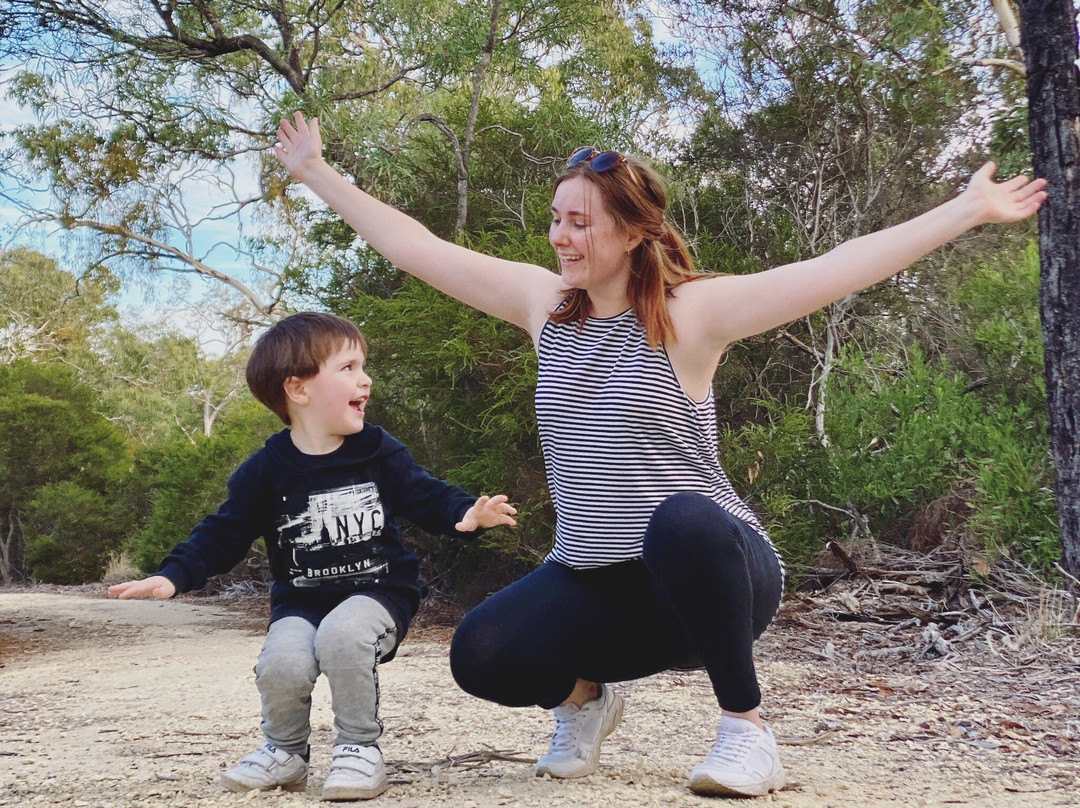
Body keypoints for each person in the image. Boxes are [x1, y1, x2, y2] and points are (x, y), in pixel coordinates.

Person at [273, 113, 1046, 797]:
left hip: (716, 574)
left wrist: (967, 209)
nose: (560, 237)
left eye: (580, 223)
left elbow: (835, 268)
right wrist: (315, 173)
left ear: (633, 231)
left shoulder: (689, 315)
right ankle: (586, 702)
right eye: (555, 220)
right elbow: (416, 247)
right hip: (599, 582)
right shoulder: (545, 308)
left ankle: (747, 731)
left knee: (680, 518)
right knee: (482, 653)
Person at [108, 312, 518, 802]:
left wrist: (466, 514)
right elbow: (223, 534)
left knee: (343, 636)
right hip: (302, 601)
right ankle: (285, 753)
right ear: (298, 390)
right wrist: (173, 576)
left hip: (379, 592)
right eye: (347, 368)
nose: (364, 379)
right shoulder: (264, 472)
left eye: (363, 367)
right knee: (282, 662)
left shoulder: (376, 451)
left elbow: (426, 495)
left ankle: (359, 749)